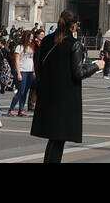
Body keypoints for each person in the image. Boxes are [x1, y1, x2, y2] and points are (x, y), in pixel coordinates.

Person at [32, 11, 106, 163]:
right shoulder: (74, 44)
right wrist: (96, 66)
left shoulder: (46, 40)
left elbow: (38, 67)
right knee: (59, 138)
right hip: (65, 98)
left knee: (55, 138)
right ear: (74, 26)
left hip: (48, 95)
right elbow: (78, 73)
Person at [9, 31, 36, 116]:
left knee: (25, 92)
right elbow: (17, 61)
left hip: (30, 71)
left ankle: (21, 110)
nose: (32, 38)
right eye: (30, 37)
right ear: (26, 37)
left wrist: (34, 71)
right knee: (20, 91)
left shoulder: (32, 47)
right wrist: (18, 73)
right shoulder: (19, 47)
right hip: (22, 70)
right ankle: (11, 109)